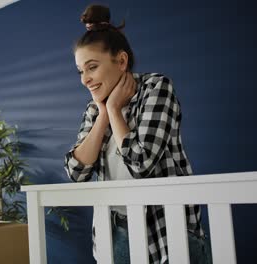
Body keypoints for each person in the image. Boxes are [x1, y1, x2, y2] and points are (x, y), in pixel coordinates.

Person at [64, 5, 211, 264]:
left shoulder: (156, 88)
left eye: (92, 67)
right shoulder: (93, 109)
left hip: (167, 231)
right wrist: (104, 114)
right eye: (81, 71)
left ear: (121, 61)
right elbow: (76, 172)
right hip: (116, 234)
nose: (85, 80)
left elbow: (141, 164)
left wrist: (115, 110)